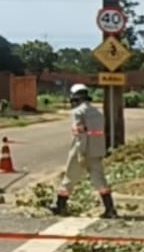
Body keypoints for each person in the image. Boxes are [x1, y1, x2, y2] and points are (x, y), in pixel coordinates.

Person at [49, 83, 118, 219]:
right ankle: (110, 209)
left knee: (69, 178)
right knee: (100, 181)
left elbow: (81, 134)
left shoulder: (78, 113)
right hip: (96, 152)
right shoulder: (97, 113)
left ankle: (60, 206)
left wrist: (81, 153)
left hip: (82, 151)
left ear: (75, 97)